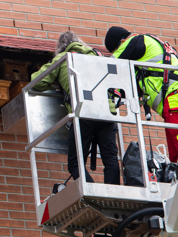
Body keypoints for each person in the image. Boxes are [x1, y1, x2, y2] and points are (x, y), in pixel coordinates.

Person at [31, 31, 120, 185]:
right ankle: (113, 191)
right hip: (107, 112)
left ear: (60, 48)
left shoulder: (63, 58)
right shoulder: (97, 56)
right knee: (110, 159)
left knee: (75, 164)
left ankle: (91, 192)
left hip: (83, 111)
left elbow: (37, 82)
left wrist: (58, 81)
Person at [104, 26, 178, 163]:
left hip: (177, 99)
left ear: (121, 42)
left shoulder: (134, 41)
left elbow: (108, 67)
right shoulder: (152, 48)